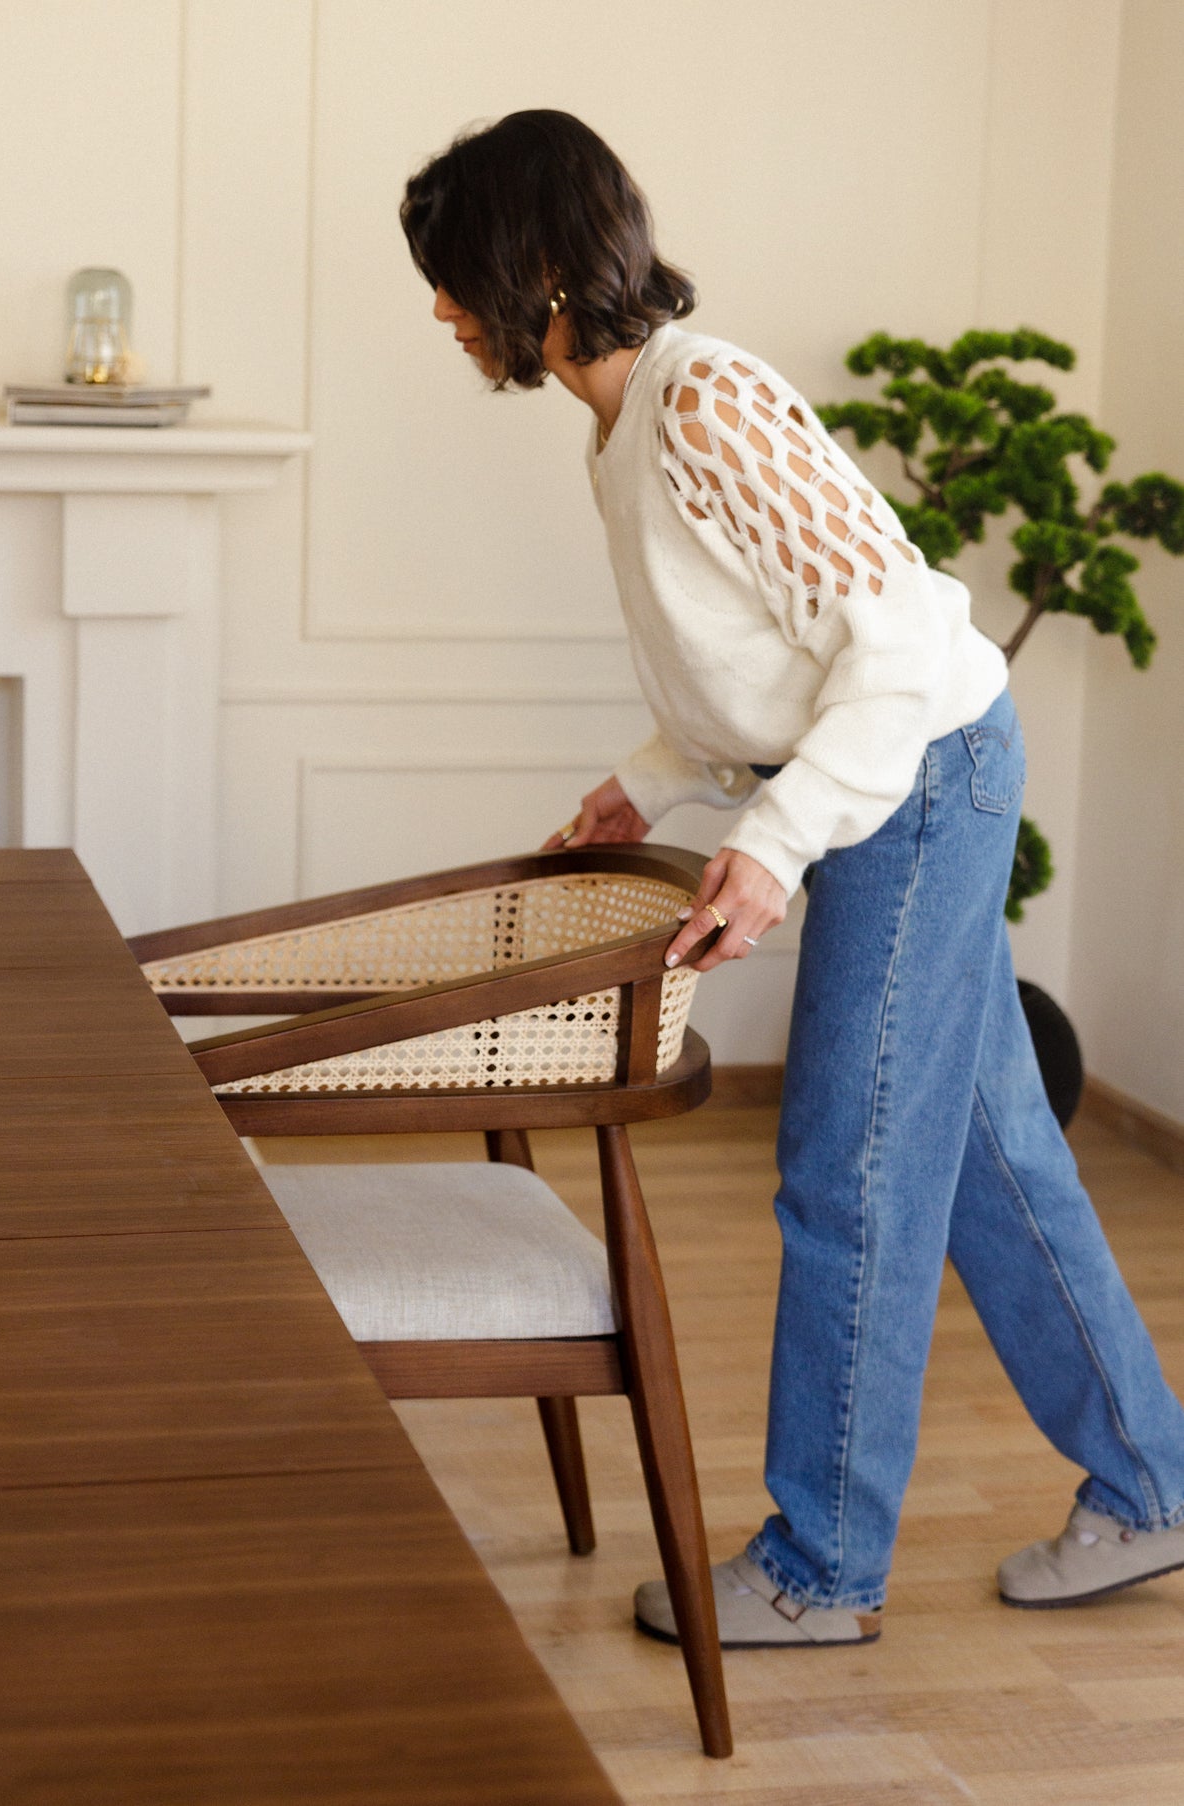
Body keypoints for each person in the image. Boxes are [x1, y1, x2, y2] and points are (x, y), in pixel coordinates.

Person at [400, 109, 1184, 1648]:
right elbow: (758, 660)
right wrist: (655, 774)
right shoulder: (622, 421)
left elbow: (891, 641)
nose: (440, 308)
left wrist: (768, 843)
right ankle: (1152, 1484)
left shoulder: (708, 398)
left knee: (848, 1168)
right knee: (990, 1161)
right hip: (896, 775)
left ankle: (821, 1569)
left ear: (537, 268)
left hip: (922, 776)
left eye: (451, 275)